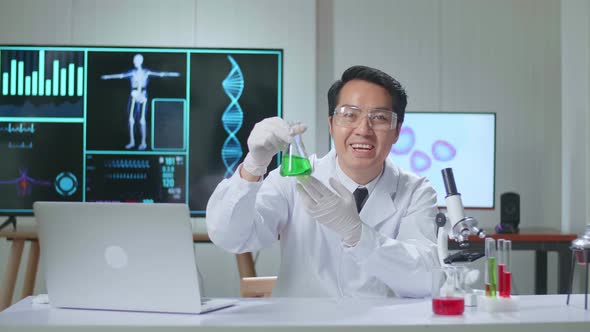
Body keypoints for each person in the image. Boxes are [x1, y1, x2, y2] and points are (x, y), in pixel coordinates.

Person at [206, 65, 439, 297]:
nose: (363, 129)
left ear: (397, 131)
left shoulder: (416, 191)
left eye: (379, 118)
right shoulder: (292, 180)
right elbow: (231, 238)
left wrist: (357, 234)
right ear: (331, 124)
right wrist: (253, 165)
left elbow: (426, 281)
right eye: (350, 115)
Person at [101, 54, 180, 150]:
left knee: (142, 120)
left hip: (143, 95)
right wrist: (107, 77)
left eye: (136, 60)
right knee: (131, 119)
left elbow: (160, 74)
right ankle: (132, 142)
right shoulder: (132, 72)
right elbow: (121, 76)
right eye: (134, 60)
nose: (134, 62)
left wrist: (173, 74)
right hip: (134, 94)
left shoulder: (146, 72)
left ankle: (143, 143)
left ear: (140, 61)